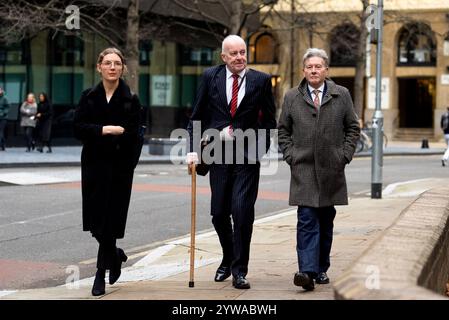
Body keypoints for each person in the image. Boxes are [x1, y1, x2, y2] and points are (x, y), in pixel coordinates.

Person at [186, 35, 276, 289]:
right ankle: (228, 255)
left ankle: (239, 270)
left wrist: (260, 148)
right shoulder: (210, 77)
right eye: (233, 53)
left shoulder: (261, 80)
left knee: (242, 212)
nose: (239, 57)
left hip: (247, 157)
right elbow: (197, 116)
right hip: (218, 154)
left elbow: (269, 120)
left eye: (242, 52)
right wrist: (193, 150)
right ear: (223, 57)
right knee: (218, 214)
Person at [277, 48, 360, 291]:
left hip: (331, 170)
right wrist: (290, 155)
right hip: (302, 169)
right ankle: (306, 272)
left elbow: (352, 127)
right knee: (306, 220)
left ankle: (321, 266)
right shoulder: (292, 96)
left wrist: (343, 156)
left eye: (318, 66)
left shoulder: (341, 94)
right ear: (304, 70)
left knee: (325, 221)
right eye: (309, 67)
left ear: (326, 70)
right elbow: (283, 129)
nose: (314, 70)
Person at [74, 47, 142, 296]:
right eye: (108, 63)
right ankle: (115, 255)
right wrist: (105, 129)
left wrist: (127, 163)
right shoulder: (87, 97)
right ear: (99, 67)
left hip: (120, 170)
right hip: (93, 167)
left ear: (122, 68)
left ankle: (99, 275)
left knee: (109, 223)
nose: (112, 67)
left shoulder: (131, 100)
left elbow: (135, 135)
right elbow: (78, 128)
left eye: (117, 64)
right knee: (95, 223)